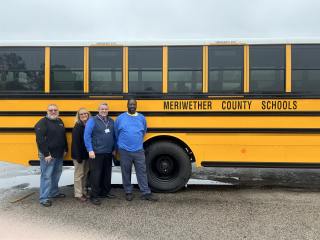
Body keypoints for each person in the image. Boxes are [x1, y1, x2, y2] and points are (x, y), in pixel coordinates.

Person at [114, 98, 158, 201]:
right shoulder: (120, 118)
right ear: (127, 105)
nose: (132, 106)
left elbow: (143, 131)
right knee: (126, 172)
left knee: (142, 171)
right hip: (124, 150)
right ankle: (128, 192)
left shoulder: (141, 118)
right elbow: (116, 133)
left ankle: (145, 192)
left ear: (136, 105)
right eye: (130, 104)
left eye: (134, 104)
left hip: (138, 150)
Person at [35, 104, 68, 207]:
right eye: (51, 110)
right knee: (46, 176)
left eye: (55, 110)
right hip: (48, 155)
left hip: (59, 154)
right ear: (47, 111)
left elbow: (63, 136)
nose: (53, 112)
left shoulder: (59, 121)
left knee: (56, 174)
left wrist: (65, 149)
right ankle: (44, 198)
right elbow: (40, 140)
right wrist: (46, 154)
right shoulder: (42, 122)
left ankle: (54, 192)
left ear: (58, 111)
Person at [84, 103, 115, 205]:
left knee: (107, 174)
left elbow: (114, 135)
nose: (104, 111)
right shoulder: (92, 120)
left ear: (108, 110)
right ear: (98, 110)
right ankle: (94, 196)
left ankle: (105, 192)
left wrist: (114, 148)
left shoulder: (111, 121)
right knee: (96, 175)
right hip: (96, 152)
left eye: (106, 109)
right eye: (102, 109)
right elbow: (87, 136)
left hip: (108, 152)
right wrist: (90, 150)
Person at [71, 108, 91, 202]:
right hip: (79, 155)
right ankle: (78, 194)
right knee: (79, 175)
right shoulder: (78, 126)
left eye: (85, 114)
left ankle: (84, 191)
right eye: (81, 114)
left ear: (88, 114)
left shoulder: (88, 125)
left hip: (86, 155)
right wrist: (78, 157)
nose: (84, 115)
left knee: (85, 174)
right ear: (78, 116)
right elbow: (75, 143)